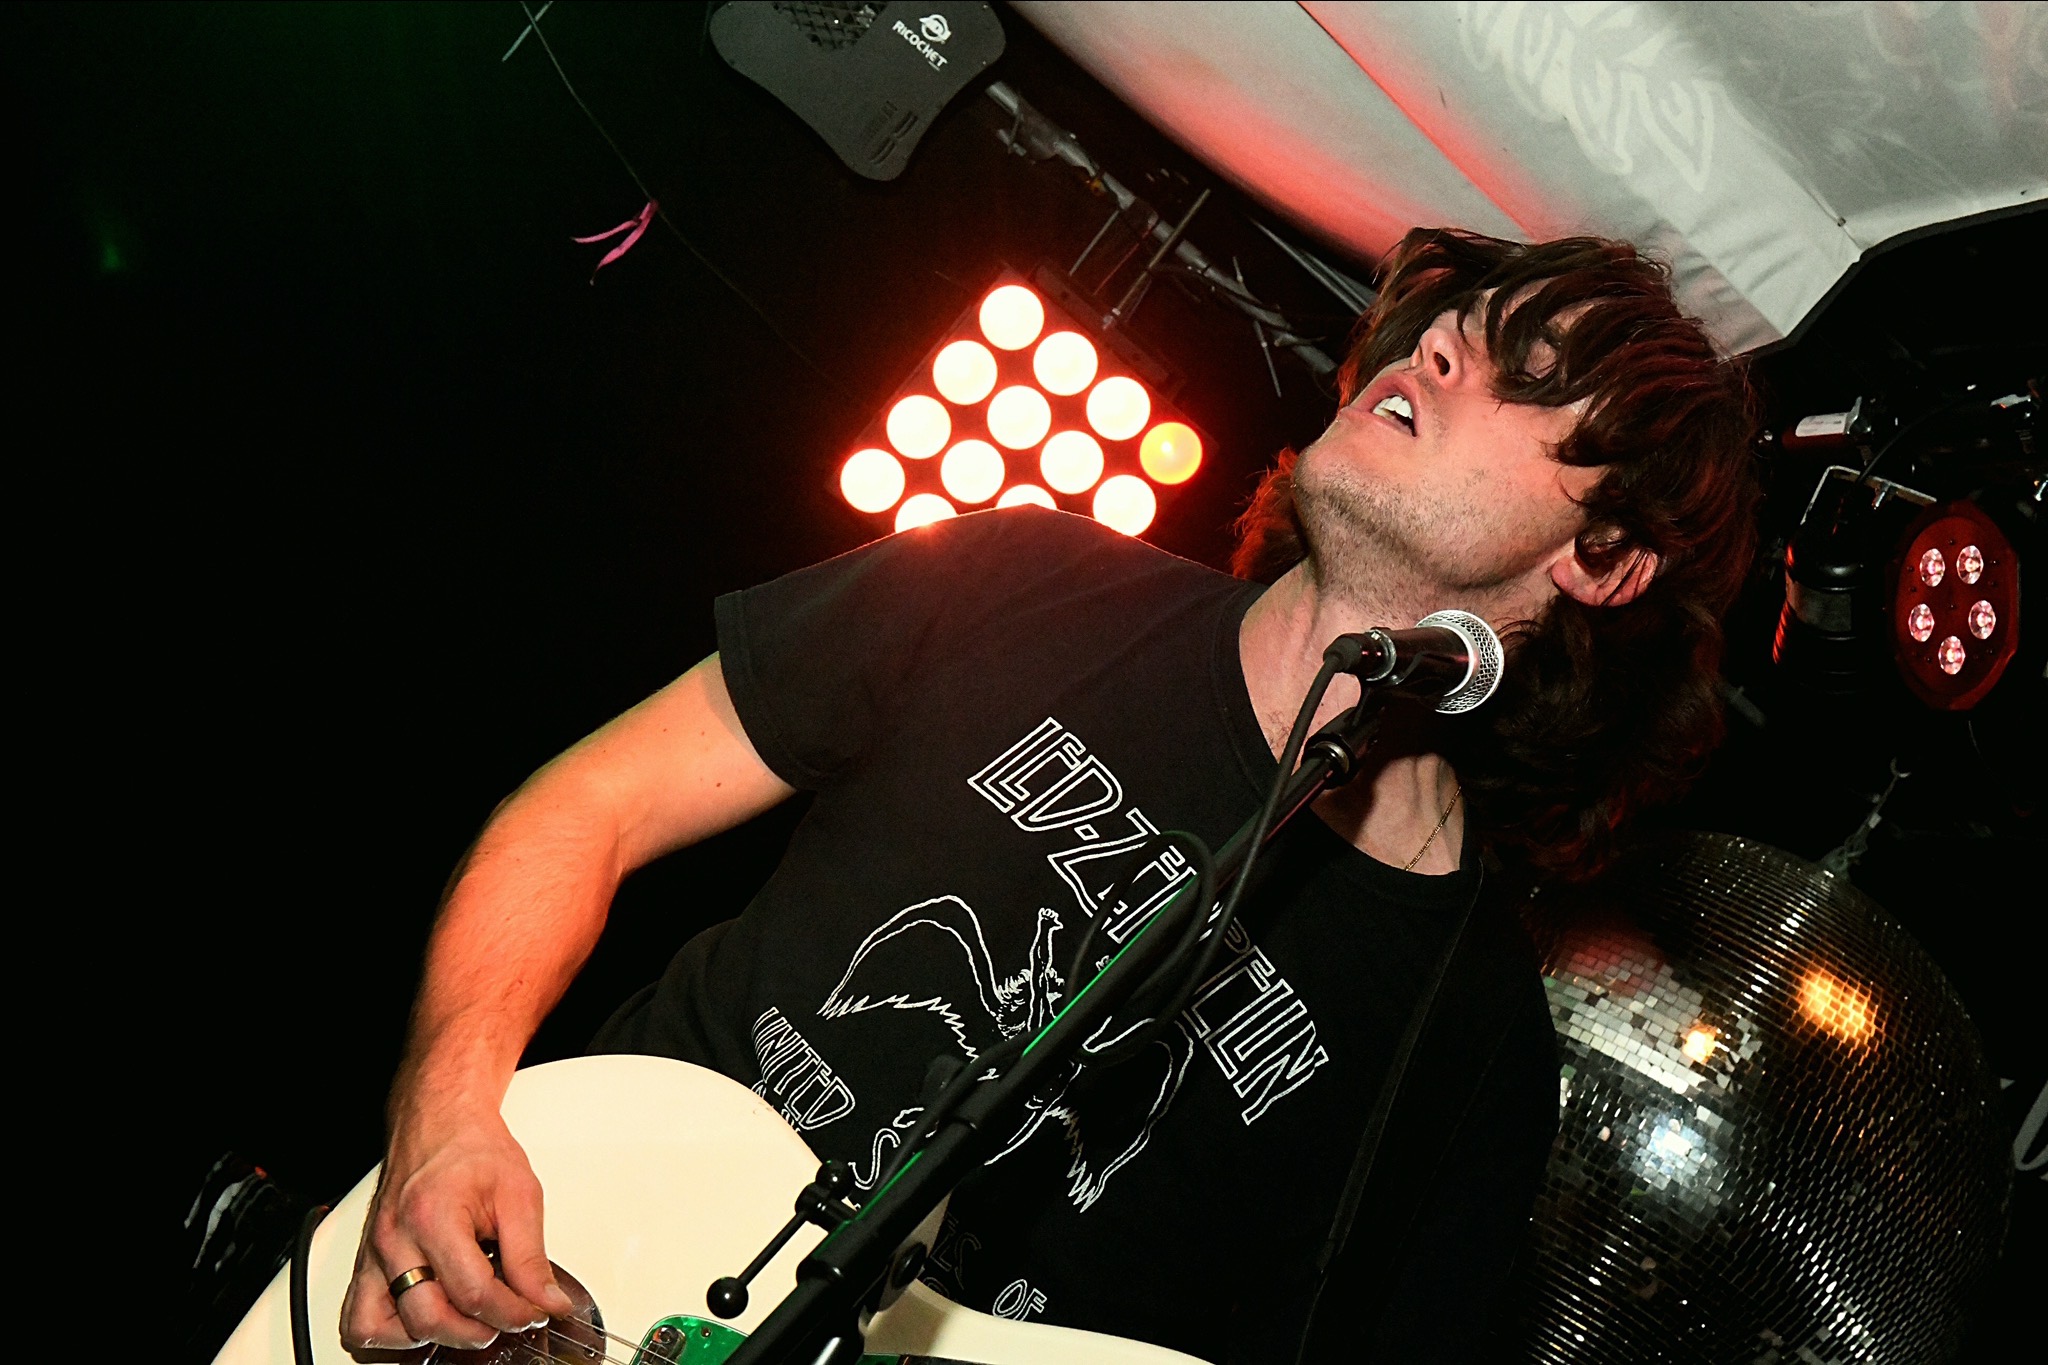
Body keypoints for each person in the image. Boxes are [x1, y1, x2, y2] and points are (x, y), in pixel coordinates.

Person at [338, 228, 1756, 1362]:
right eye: (1454, 326)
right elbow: (589, 804)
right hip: (539, 1281)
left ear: (1606, 559)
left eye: (1528, 374)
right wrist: (444, 1116)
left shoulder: (1470, 1047)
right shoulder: (1024, 575)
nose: (1441, 346)